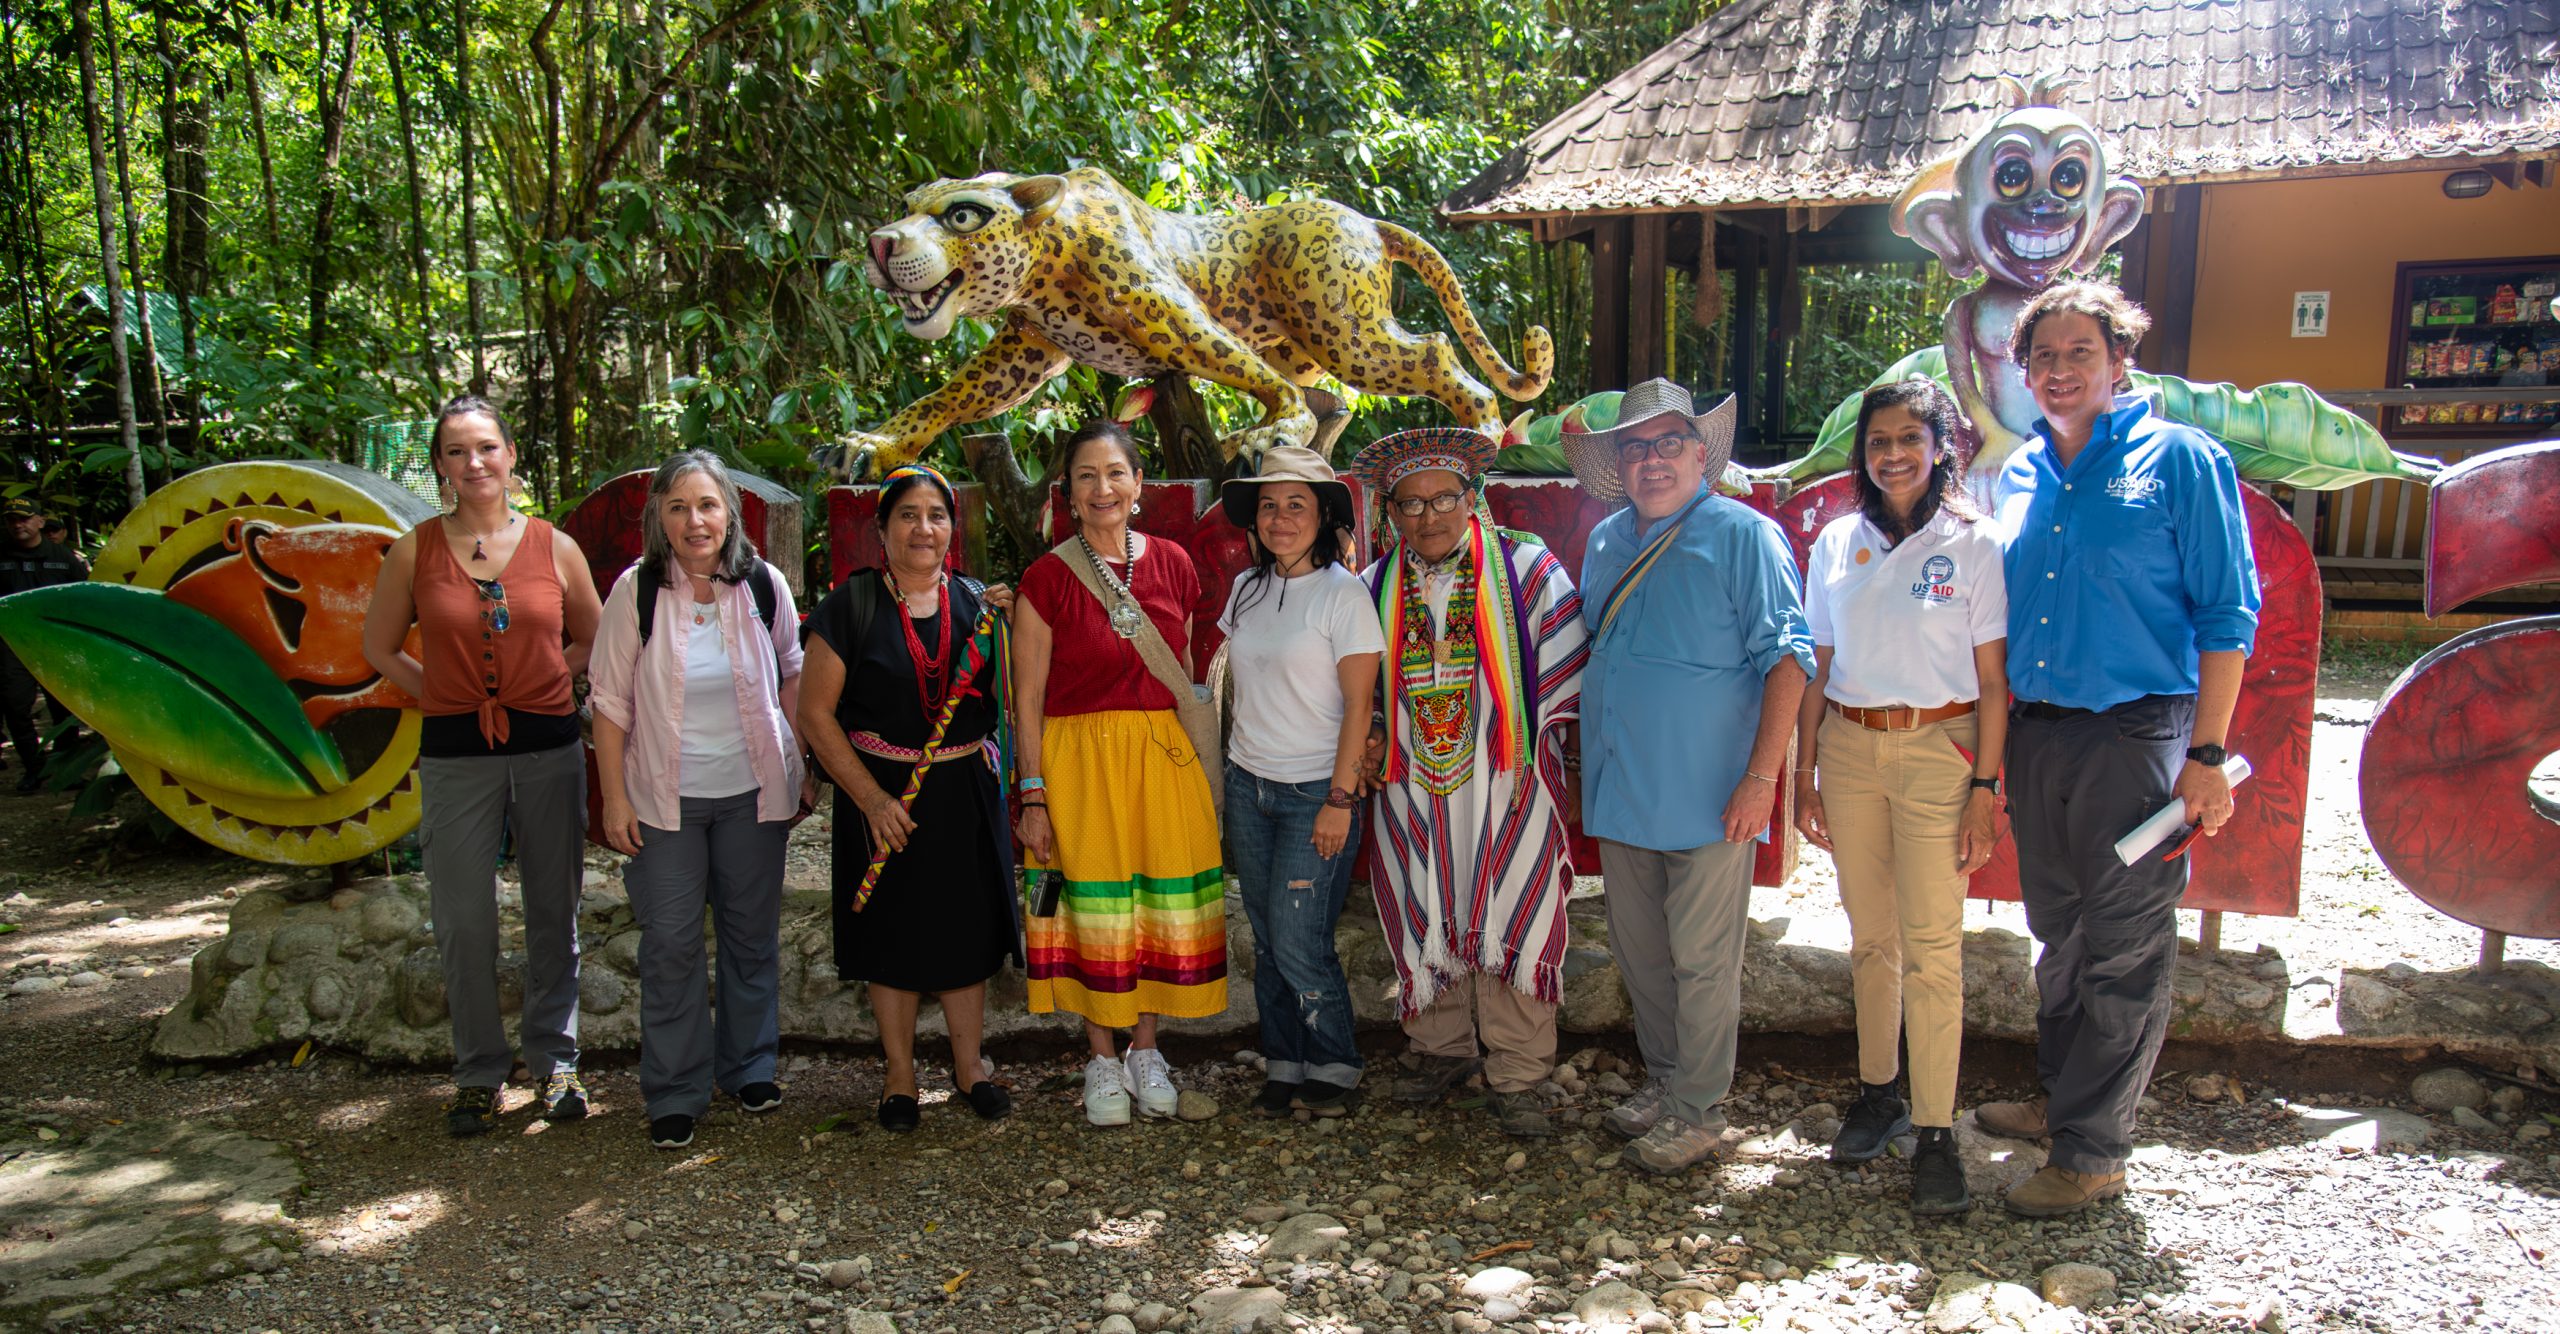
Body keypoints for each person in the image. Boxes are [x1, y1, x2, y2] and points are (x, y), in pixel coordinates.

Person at [1978, 281, 2259, 1217]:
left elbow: (2228, 614)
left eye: (2080, 353)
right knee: (2059, 931)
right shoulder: (2019, 473)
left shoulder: (2180, 459)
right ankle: (2063, 1101)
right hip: (2038, 735)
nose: (2060, 371)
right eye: (2043, 357)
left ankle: (2095, 1153)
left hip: (2136, 736)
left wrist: (2207, 756)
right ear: (2025, 373)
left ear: (2119, 360)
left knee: (2124, 944)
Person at [1567, 379, 1813, 1175]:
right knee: (1641, 954)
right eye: (1635, 447)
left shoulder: (1746, 536)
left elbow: (1789, 660)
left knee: (1703, 961)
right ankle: (1667, 1080)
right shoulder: (1605, 541)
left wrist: (1762, 778)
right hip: (1622, 786)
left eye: (1669, 442)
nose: (1653, 460)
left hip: (1711, 792)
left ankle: (1699, 1111)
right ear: (1617, 465)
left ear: (1700, 454)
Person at [1792, 379, 2009, 1214]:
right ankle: (1878, 1094)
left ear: (1939, 447)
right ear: (1863, 452)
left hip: (1937, 754)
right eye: (1878, 441)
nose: (1893, 455)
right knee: (1870, 938)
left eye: (1909, 439)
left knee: (1933, 946)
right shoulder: (1836, 541)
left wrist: (1985, 788)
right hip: (1850, 750)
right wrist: (1804, 774)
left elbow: (1994, 682)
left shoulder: (1974, 544)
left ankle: (1936, 1132)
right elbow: (1817, 668)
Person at [362, 395, 604, 1138]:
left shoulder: (555, 547)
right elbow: (378, 647)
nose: (474, 463)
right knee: (463, 919)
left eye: (487, 447)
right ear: (440, 465)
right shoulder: (415, 550)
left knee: (552, 911)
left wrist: (548, 680)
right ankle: (478, 1073)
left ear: (510, 456)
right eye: (457, 451)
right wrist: (439, 693)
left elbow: (594, 637)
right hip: (456, 755)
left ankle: (556, 1062)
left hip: (547, 750)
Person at [1352, 427, 1588, 1141]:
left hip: (1508, 780)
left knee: (1515, 900)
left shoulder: (1528, 570)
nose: (1428, 516)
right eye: (1410, 503)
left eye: (1443, 498)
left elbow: (1570, 677)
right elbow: (1356, 691)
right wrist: (1370, 732)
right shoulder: (1372, 587)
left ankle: (1518, 1070)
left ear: (1472, 496)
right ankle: (1441, 1050)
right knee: (1424, 899)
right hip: (1412, 782)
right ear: (1390, 511)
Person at [588, 451, 806, 1151]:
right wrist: (614, 798)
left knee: (750, 937)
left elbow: (793, 674)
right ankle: (676, 1091)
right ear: (660, 517)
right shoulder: (637, 592)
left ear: (729, 514)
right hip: (664, 802)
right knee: (672, 946)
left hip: (753, 795)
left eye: (707, 505)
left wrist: (802, 763)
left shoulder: (764, 585)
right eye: (678, 507)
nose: (694, 521)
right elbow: (609, 703)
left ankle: (749, 1068)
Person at [1012, 420, 1227, 1127]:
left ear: (1138, 485)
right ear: (1069, 493)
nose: (1102, 488)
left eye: (1115, 473)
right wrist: (1033, 794)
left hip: (1160, 756)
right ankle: (1101, 1056)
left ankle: (1146, 1049)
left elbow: (1185, 672)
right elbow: (1028, 698)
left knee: (1156, 901)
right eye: (1086, 476)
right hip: (1076, 759)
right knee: (1089, 905)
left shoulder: (1174, 564)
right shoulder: (1047, 578)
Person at [801, 464, 1020, 1133]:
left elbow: (1008, 703)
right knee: (889, 930)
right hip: (880, 793)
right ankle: (899, 1076)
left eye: (936, 515)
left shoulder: (980, 604)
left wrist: (1013, 628)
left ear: (952, 527)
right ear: (882, 527)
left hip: (962, 793)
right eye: (907, 515)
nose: (923, 528)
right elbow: (815, 714)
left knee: (964, 929)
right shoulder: (851, 605)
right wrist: (871, 800)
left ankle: (969, 1067)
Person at [1214, 446, 1382, 1119]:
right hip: (1249, 786)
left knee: (1298, 940)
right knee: (1266, 938)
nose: (1280, 518)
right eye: (1268, 505)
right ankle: (1285, 1060)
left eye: (1296, 505)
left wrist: (1340, 799)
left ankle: (1336, 1060)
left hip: (1316, 791)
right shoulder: (1246, 589)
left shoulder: (1344, 595)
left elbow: (1359, 706)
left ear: (1323, 516)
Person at [0, 498, 84, 793]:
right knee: (15, 707)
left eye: (24, 519)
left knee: (64, 707)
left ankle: (65, 770)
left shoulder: (63, 557)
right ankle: (34, 770)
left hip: (54, 644)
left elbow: (82, 598)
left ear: (39, 521)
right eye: (12, 520)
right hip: (12, 644)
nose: (17, 525)